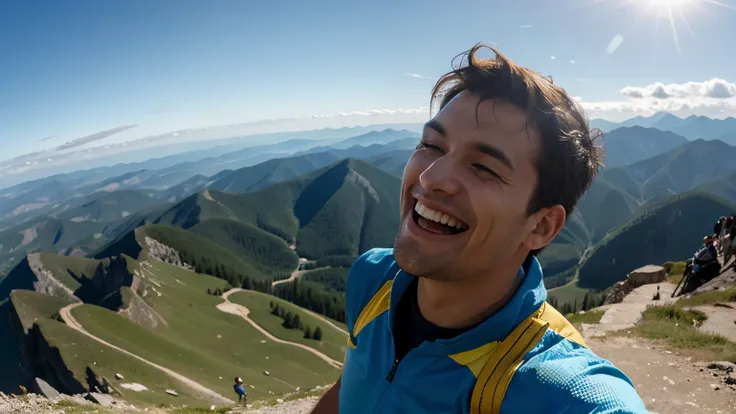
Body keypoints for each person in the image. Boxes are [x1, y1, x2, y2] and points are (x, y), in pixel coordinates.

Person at [310, 44, 647, 413]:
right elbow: (348, 388)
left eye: (484, 168)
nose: (430, 176)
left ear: (541, 226)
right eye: (431, 145)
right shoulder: (372, 278)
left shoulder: (560, 392)